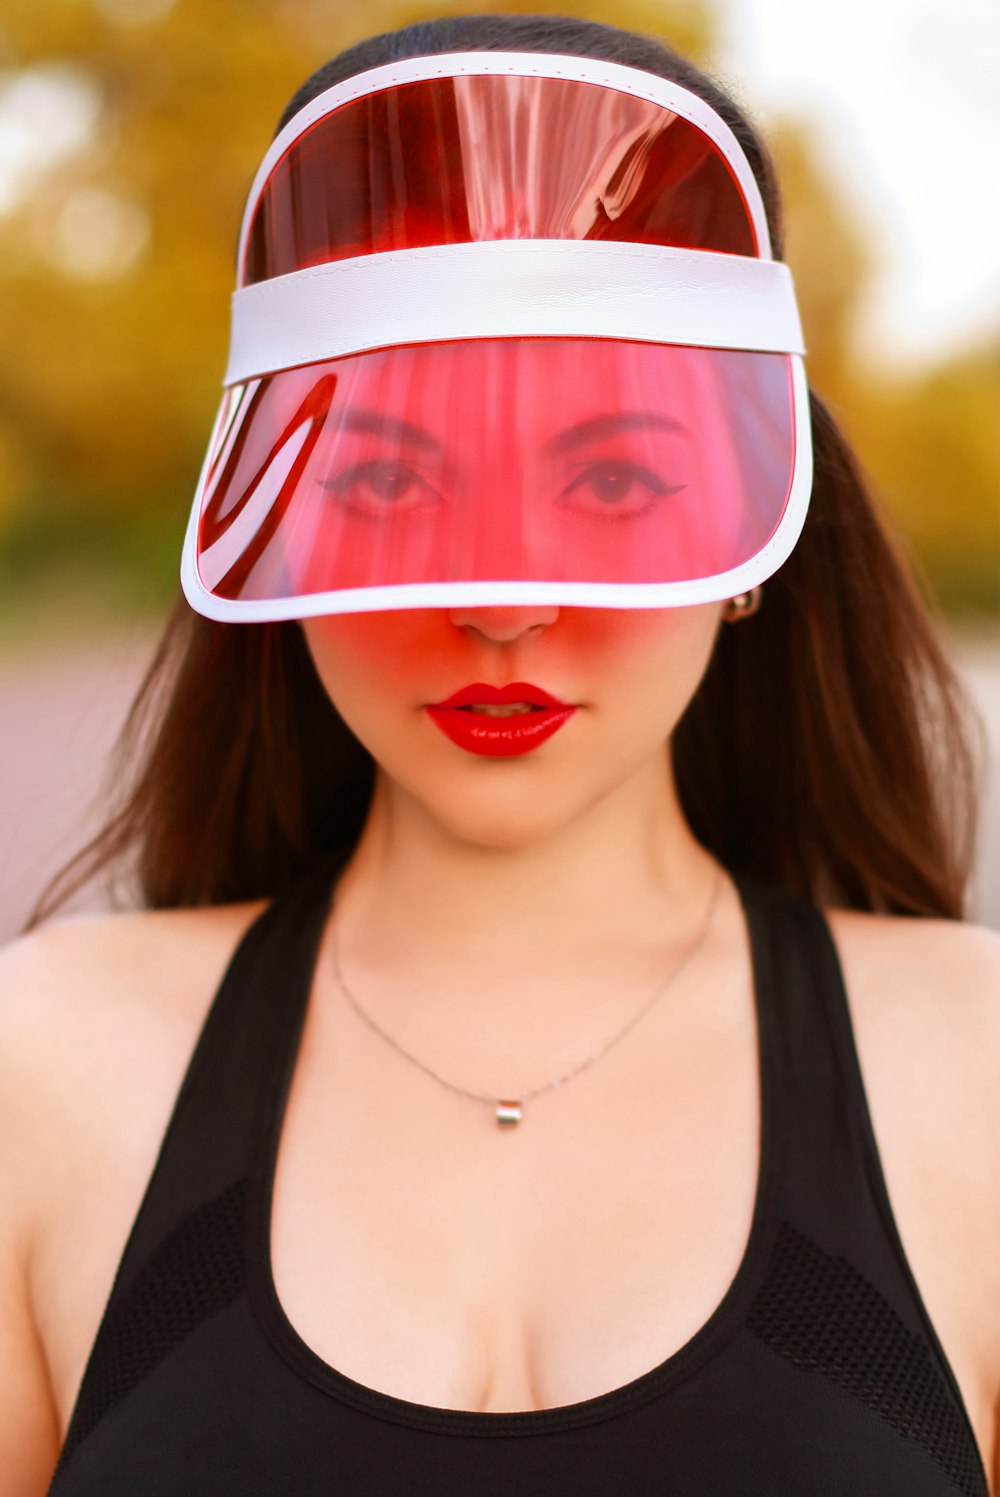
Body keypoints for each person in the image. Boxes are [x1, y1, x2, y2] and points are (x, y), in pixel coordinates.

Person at [1, 13, 997, 1495]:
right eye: (393, 481)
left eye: (613, 477)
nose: (502, 603)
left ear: (758, 524)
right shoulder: (44, 1067)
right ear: (283, 531)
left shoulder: (978, 1073)